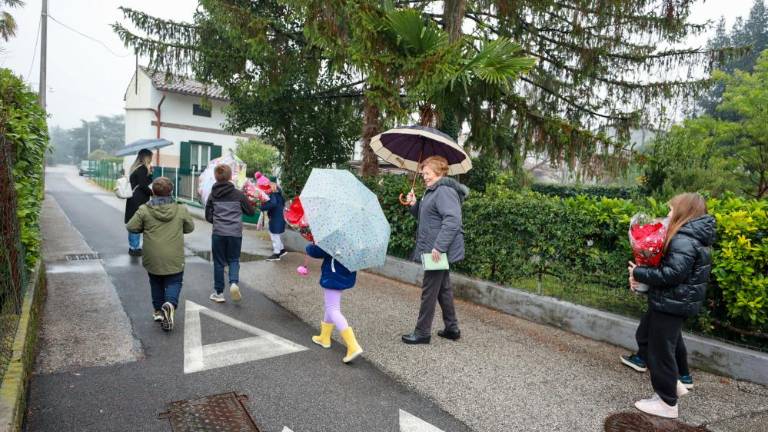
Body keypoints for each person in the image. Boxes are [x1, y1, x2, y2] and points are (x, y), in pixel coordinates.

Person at [628, 192, 715, 419]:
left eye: (671, 209)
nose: (668, 213)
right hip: (670, 301)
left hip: (672, 303)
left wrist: (638, 272)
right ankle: (672, 384)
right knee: (646, 338)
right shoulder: (689, 236)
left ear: (683, 211)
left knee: (660, 351)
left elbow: (672, 274)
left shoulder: (684, 239)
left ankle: (667, 403)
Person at [401, 156, 468, 345]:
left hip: (437, 250)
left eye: (427, 173)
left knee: (429, 290)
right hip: (434, 248)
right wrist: (414, 204)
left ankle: (422, 332)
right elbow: (426, 218)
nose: (424, 177)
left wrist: (439, 246)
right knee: (443, 289)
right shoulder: (432, 191)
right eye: (423, 174)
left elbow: (452, 221)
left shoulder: (444, 191)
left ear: (438, 172)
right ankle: (452, 328)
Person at [126, 177, 194, 331]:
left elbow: (131, 226)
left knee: (155, 281)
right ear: (171, 191)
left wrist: (144, 227)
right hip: (174, 255)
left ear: (153, 192)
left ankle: (158, 311)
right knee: (175, 281)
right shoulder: (181, 209)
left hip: (152, 255)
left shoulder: (144, 209)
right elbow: (189, 228)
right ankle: (169, 304)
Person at [205, 164, 255, 303]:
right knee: (234, 259)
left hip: (218, 233)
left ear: (216, 177)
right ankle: (233, 283)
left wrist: (217, 221)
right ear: (230, 177)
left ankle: (219, 292)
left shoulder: (212, 195)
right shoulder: (238, 194)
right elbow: (250, 212)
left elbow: (208, 216)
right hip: (235, 233)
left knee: (219, 262)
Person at [307, 243, 363, 363]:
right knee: (330, 305)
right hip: (345, 274)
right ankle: (324, 337)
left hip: (333, 275)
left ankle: (353, 346)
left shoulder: (334, 238)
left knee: (333, 309)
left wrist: (310, 246)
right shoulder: (355, 240)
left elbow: (316, 252)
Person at [124, 149, 153, 256]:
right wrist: (152, 192)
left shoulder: (135, 168)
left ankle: (133, 246)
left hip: (133, 198)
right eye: (150, 157)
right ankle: (134, 248)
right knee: (136, 223)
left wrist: (150, 174)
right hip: (139, 199)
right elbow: (143, 185)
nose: (151, 159)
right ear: (146, 157)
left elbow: (142, 182)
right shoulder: (142, 169)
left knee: (133, 221)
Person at [260, 176, 287, 261]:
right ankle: (282, 250)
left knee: (274, 235)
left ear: (273, 183)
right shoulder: (279, 192)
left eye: (269, 183)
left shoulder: (273, 193)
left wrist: (262, 207)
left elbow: (273, 203)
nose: (267, 185)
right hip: (279, 216)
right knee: (275, 234)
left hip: (276, 217)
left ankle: (277, 254)